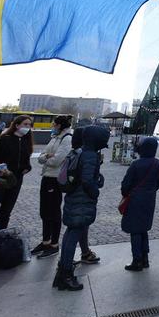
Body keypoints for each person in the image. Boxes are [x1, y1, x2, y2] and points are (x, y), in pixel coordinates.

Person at [53, 125, 109, 291]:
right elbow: (86, 180)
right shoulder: (90, 155)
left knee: (70, 233)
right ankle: (66, 275)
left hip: (73, 198)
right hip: (82, 201)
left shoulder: (78, 151)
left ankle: (62, 272)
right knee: (73, 235)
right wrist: (95, 191)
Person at [33, 115, 74, 259]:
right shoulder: (55, 137)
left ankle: (54, 244)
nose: (52, 126)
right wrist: (46, 157)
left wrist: (46, 157)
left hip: (55, 179)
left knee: (54, 211)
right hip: (46, 176)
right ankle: (45, 241)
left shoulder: (67, 138)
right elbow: (41, 156)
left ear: (59, 125)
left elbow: (57, 160)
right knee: (44, 211)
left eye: (54, 124)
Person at [121, 137, 159, 272]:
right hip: (150, 200)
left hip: (135, 200)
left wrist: (127, 193)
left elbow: (126, 185)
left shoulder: (136, 164)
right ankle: (145, 258)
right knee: (143, 228)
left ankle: (137, 260)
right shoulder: (158, 164)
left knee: (135, 231)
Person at [0, 115, 34, 231]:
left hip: (16, 180)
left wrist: (27, 167)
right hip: (0, 179)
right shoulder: (4, 139)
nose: (27, 127)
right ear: (17, 125)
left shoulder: (27, 142)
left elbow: (26, 161)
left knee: (6, 212)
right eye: (25, 124)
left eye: (29, 125)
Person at [68, 126, 100, 265]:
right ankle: (66, 267)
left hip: (74, 195)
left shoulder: (76, 153)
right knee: (76, 229)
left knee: (75, 228)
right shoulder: (87, 154)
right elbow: (87, 179)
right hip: (82, 197)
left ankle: (69, 260)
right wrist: (95, 191)